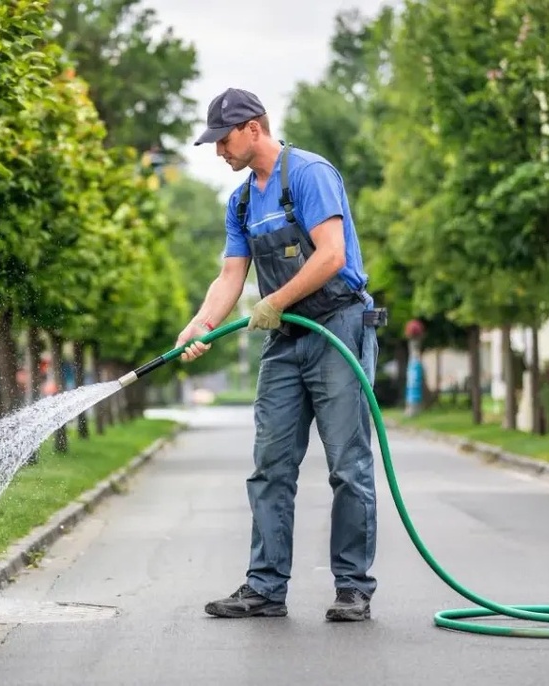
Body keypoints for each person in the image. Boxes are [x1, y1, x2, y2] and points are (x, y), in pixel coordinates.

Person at [175, 87, 384, 622]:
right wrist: (200, 324)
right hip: (286, 340)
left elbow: (332, 255)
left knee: (348, 466)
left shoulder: (309, 175)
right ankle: (264, 588)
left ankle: (353, 588)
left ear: (253, 128)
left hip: (338, 325)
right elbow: (230, 275)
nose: (218, 150)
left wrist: (273, 301)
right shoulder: (242, 201)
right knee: (270, 466)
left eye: (223, 139)